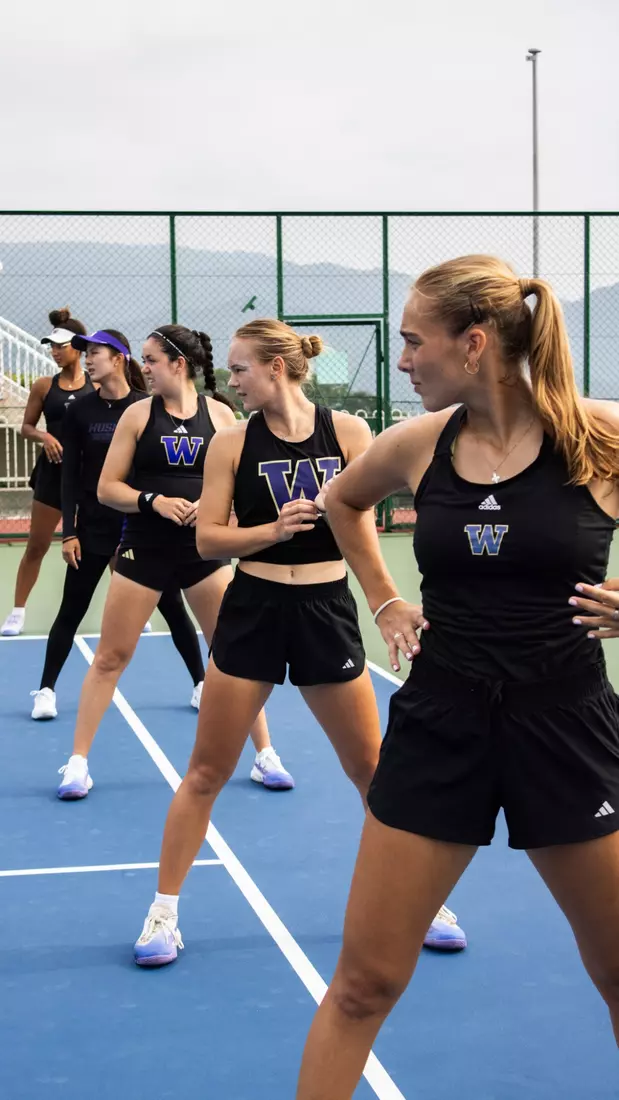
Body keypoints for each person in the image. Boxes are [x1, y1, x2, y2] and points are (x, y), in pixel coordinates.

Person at [295, 254, 619, 1098]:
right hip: (441, 725)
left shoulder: (599, 439)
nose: (401, 361)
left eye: (413, 341)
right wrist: (385, 600)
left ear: (472, 344)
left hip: (568, 728)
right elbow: (340, 502)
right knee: (362, 985)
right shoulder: (417, 443)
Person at [132, 318, 466, 968]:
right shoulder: (230, 443)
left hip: (324, 609)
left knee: (370, 770)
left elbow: (360, 531)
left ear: (275, 368)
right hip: (253, 607)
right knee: (205, 772)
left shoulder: (347, 433)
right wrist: (271, 531)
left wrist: (383, 601)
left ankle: (422, 903)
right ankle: (163, 911)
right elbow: (207, 541)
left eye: (239, 369)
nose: (230, 380)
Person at [56, 325, 292, 799]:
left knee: (232, 655)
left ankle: (265, 755)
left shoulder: (223, 416)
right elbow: (107, 489)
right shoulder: (137, 416)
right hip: (143, 550)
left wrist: (217, 512)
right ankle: (77, 762)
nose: (143, 367)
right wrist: (153, 501)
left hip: (203, 554)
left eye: (150, 359)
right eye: (142, 359)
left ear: (178, 364)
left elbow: (237, 489)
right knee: (111, 657)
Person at [29, 329, 207, 724]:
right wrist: (69, 531)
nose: (87, 359)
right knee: (71, 608)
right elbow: (71, 477)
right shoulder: (79, 412)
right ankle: (46, 689)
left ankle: (200, 683)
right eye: (86, 353)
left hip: (142, 531)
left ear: (119, 358)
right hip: (93, 529)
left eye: (95, 353)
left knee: (173, 607)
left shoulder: (147, 406)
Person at [1, 308, 92, 636]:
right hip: (52, 478)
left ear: (78, 348)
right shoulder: (43, 386)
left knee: (104, 545)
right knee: (36, 546)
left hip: (89, 479)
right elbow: (26, 427)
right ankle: (17, 611)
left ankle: (128, 613)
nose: (54, 351)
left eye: (60, 346)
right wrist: (45, 435)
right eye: (51, 346)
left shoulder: (96, 388)